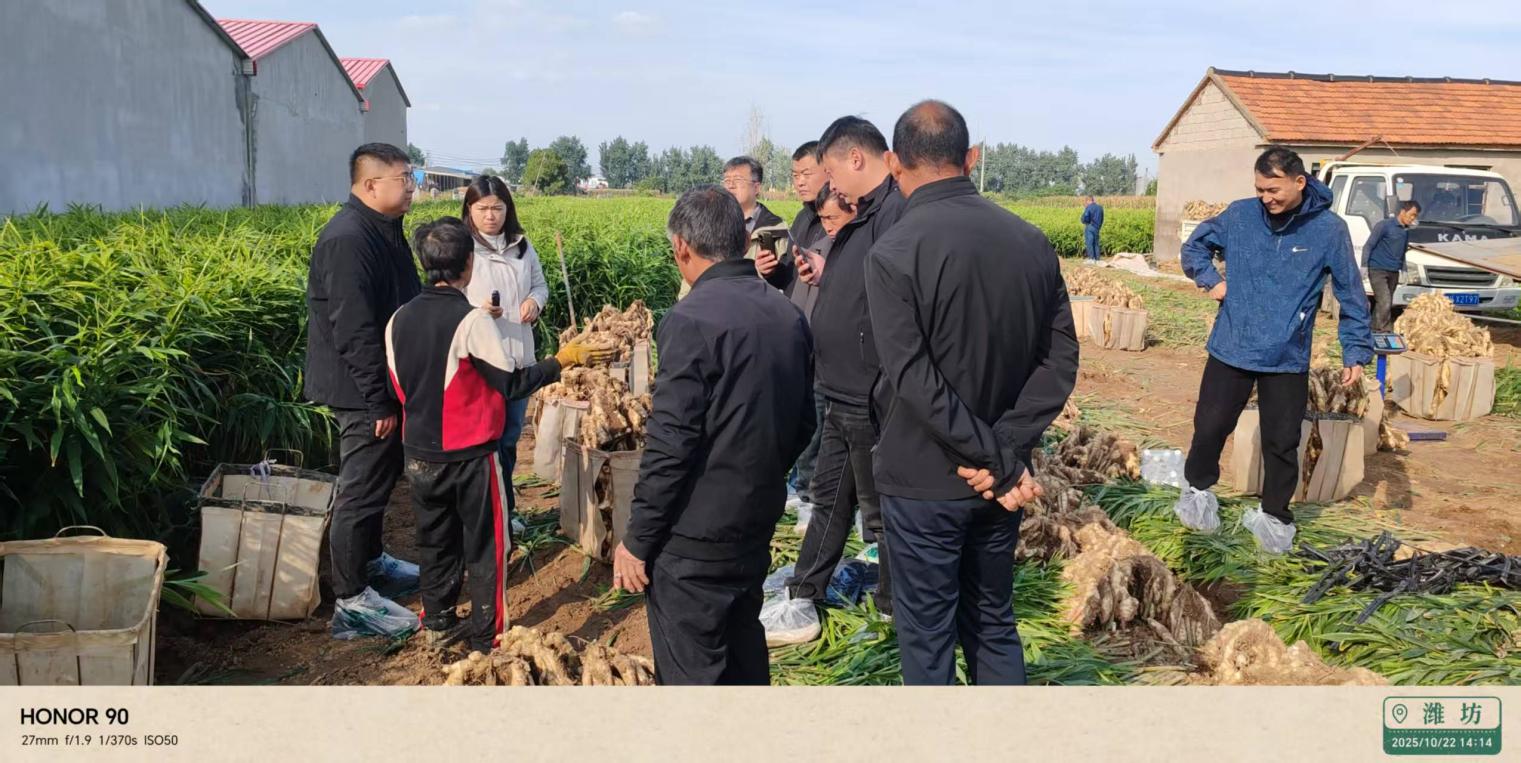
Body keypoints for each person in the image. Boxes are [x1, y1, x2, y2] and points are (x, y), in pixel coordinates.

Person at [866, 100, 1077, 685]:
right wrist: (1004, 453)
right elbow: (1059, 360)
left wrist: (992, 458)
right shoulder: (1031, 241)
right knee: (991, 621)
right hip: (998, 485)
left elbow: (914, 380)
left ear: (894, 163)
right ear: (970, 157)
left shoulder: (894, 253)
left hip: (925, 479)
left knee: (927, 639)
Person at [610, 186, 815, 685]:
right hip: (755, 520)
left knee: (694, 674)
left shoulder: (689, 319)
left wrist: (637, 541)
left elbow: (670, 446)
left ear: (681, 247)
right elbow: (805, 421)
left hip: (694, 538)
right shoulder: (787, 314)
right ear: (743, 240)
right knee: (743, 650)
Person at [386, 218, 612, 652]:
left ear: (424, 263)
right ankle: (486, 636)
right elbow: (511, 384)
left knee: (434, 539)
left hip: (418, 454)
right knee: (487, 545)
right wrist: (562, 359)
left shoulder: (397, 319)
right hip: (470, 454)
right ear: (469, 265)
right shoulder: (471, 321)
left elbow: (398, 386)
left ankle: (438, 624)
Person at [1175, 147, 1374, 553]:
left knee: (1282, 442)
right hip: (1232, 346)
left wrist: (1354, 349)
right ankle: (1197, 494)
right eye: (1259, 189)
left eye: (1273, 189)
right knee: (1210, 428)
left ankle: (1275, 518)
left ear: (1299, 182)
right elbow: (1194, 247)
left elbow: (1351, 292)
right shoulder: (1240, 215)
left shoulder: (1328, 230)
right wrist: (1212, 280)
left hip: (1287, 356)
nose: (1266, 198)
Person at [783, 116, 906, 622]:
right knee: (828, 498)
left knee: (879, 507)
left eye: (831, 172)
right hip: (840, 387)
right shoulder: (866, 213)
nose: (830, 185)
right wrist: (826, 271)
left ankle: (891, 606)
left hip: (869, 391)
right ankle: (803, 591)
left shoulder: (895, 212)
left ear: (856, 158)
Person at [304, 142, 424, 639]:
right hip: (359, 390)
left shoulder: (384, 229)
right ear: (371, 185)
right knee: (360, 488)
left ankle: (372, 564)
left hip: (383, 383)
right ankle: (351, 600)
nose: (412, 187)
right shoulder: (349, 239)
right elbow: (353, 329)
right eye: (405, 178)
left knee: (379, 478)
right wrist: (378, 400)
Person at [459, 175, 550, 525]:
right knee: (484, 442)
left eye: (497, 208)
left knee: (510, 438)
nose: (490, 216)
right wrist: (479, 311)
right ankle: (482, 514)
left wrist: (534, 302)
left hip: (518, 358)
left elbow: (540, 285)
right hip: (481, 363)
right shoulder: (463, 248)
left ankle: (505, 509)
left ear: (508, 209)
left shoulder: (522, 247)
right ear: (469, 209)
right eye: (482, 208)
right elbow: (449, 296)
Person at [784, 141, 829, 508]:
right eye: (794, 174)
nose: (799, 181)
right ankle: (800, 483)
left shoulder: (840, 216)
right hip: (800, 329)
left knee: (818, 412)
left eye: (806, 173)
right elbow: (792, 276)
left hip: (825, 334)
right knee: (801, 409)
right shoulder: (803, 218)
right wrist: (773, 271)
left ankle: (812, 493)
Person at [677, 157, 791, 298]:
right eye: (727, 181)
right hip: (712, 302)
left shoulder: (776, 229)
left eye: (737, 180)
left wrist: (769, 272)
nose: (730, 186)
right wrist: (686, 301)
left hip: (756, 305)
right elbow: (694, 269)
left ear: (756, 187)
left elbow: (787, 280)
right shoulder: (709, 223)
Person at [1364, 200, 1421, 332]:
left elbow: (1402, 252)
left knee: (1384, 302)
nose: (1413, 219)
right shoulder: (1384, 226)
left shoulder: (1405, 231)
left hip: (1393, 271)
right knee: (1385, 300)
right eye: (1412, 215)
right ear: (1403, 212)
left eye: (1415, 216)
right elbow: (1369, 245)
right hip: (1377, 269)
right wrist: (1364, 265)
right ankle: (1385, 330)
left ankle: (1373, 329)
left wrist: (1404, 269)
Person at [1081, 194, 1105, 261]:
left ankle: (1091, 258)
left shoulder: (1089, 207)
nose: (1086, 203)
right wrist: (1099, 226)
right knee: (1096, 243)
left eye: (1086, 201)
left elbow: (1086, 217)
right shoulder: (1100, 207)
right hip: (1097, 227)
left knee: (1089, 242)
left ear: (1088, 200)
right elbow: (1102, 218)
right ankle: (1097, 258)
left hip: (1090, 226)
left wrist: (1084, 221)